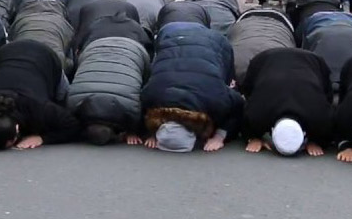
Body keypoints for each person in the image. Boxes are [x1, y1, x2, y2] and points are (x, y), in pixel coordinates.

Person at [0, 40, 79, 150]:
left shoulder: (39, 108)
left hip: (46, 57)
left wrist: (42, 138)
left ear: (17, 129)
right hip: (5, 55)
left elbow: (72, 125)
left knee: (63, 98)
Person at [141, 22, 243, 152]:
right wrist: (152, 133)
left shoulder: (215, 99)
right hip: (175, 38)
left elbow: (238, 104)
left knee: (227, 86)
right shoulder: (151, 97)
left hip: (215, 43)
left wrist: (219, 137)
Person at [241, 48, 333, 156]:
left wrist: (316, 140)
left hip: (303, 60)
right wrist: (253, 137)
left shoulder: (257, 114)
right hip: (269, 59)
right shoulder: (258, 113)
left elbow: (245, 115)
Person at [67, 36, 150, 145]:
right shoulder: (73, 103)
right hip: (93, 48)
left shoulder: (130, 107)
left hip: (134, 50)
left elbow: (137, 117)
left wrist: (131, 132)